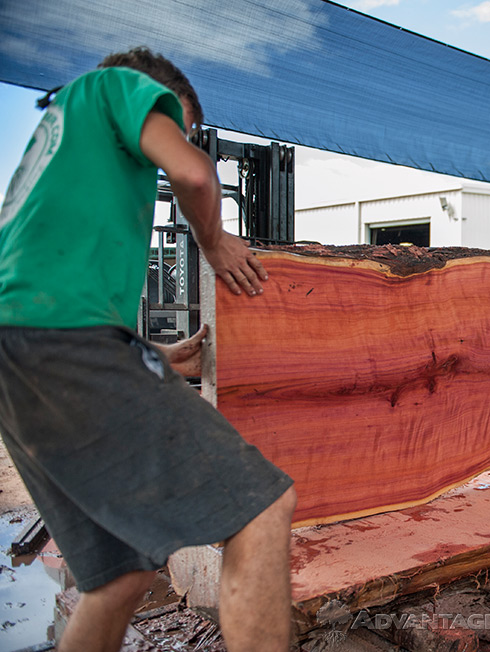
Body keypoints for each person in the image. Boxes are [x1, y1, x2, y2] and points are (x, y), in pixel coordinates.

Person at [0, 48, 296, 651]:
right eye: (178, 125)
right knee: (262, 509)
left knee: (119, 575)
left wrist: (153, 356)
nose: (170, 145)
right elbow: (194, 175)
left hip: (23, 364)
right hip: (66, 350)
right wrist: (213, 245)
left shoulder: (58, 149)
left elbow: (43, 303)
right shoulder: (114, 86)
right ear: (162, 98)